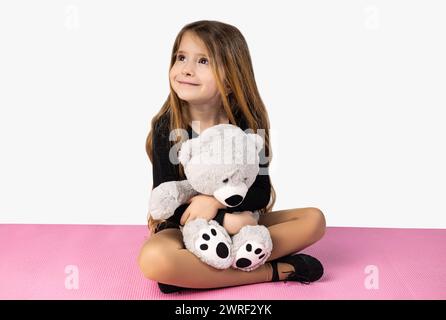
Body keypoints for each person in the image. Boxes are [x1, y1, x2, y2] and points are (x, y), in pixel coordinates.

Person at [138, 20, 326, 293]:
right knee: (155, 259)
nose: (186, 69)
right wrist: (220, 219)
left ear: (230, 80)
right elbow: (166, 200)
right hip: (184, 229)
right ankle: (273, 271)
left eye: (203, 61)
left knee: (314, 220)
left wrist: (218, 206)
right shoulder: (167, 127)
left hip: (243, 224)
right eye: (181, 57)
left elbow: (260, 192)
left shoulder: (249, 124)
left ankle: (194, 273)